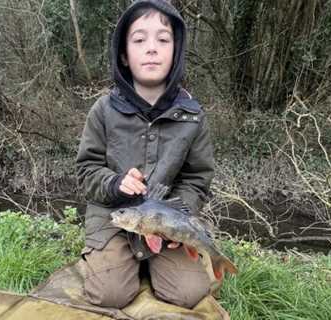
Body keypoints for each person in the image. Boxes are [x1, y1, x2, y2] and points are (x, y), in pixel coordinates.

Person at [76, 0, 214, 309]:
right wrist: (115, 184)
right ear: (124, 54)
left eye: (163, 40)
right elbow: (86, 170)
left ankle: (167, 260)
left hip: (165, 220)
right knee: (109, 294)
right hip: (114, 216)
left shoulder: (193, 116)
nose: (151, 48)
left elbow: (197, 179)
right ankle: (115, 259)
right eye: (139, 39)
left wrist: (181, 217)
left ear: (175, 52)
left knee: (188, 293)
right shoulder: (102, 110)